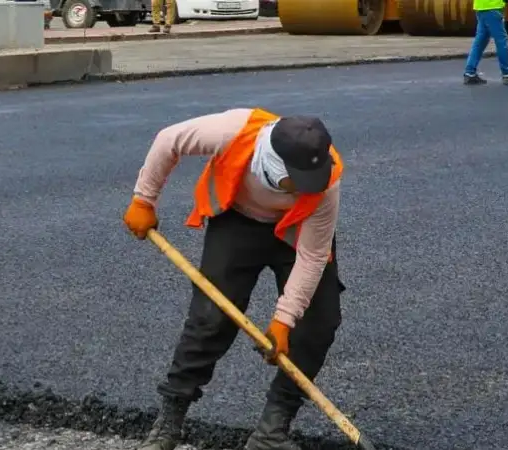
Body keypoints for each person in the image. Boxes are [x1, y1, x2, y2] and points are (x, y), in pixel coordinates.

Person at [122, 108, 346, 450]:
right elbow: (169, 140)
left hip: (296, 232)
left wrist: (284, 320)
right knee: (210, 320)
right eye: (298, 183)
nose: (308, 189)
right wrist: (144, 198)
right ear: (272, 166)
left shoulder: (325, 179)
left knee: (317, 323)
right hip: (238, 221)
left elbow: (313, 256)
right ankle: (169, 422)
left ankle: (271, 431)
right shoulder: (233, 131)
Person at [463, 0, 508, 86]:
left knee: (480, 41)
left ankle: (469, 72)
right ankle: (507, 74)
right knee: (501, 41)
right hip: (493, 6)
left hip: (480, 6)